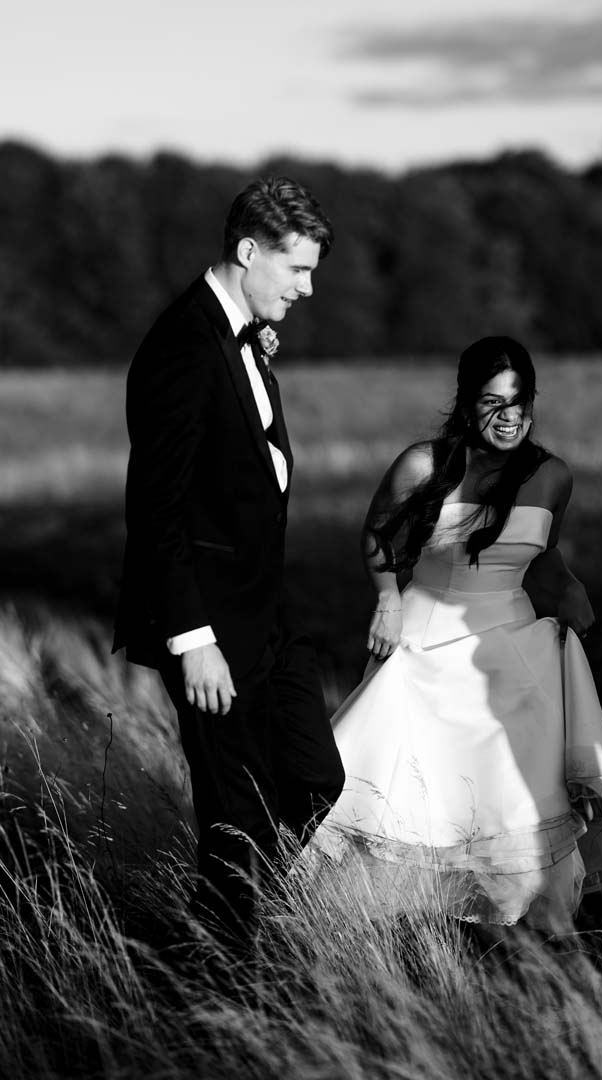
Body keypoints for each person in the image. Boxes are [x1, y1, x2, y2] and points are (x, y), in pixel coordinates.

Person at [311, 337, 602, 930]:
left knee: (509, 789)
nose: (509, 416)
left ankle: (517, 926)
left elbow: (542, 554)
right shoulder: (423, 465)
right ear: (467, 404)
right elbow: (377, 535)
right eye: (493, 402)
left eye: (519, 401)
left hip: (511, 646)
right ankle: (399, 927)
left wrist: (569, 587)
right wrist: (386, 598)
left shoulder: (553, 476)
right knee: (413, 788)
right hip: (425, 641)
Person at [113, 176, 345, 940]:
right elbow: (157, 512)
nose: (307, 288)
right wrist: (193, 641)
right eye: (296, 269)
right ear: (249, 251)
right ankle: (220, 965)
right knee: (236, 818)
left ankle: (230, 913)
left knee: (316, 776)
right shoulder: (183, 347)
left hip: (268, 613)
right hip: (210, 627)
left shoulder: (240, 332)